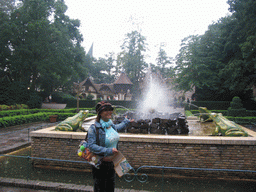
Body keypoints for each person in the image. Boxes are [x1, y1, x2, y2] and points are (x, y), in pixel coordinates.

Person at [87, 101, 133, 192]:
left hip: (112, 163)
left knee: (110, 188)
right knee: (100, 188)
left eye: (110, 109)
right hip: (100, 164)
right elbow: (91, 146)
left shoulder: (111, 125)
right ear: (100, 113)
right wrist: (108, 151)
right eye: (106, 110)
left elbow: (117, 128)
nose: (109, 112)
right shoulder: (93, 128)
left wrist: (126, 122)